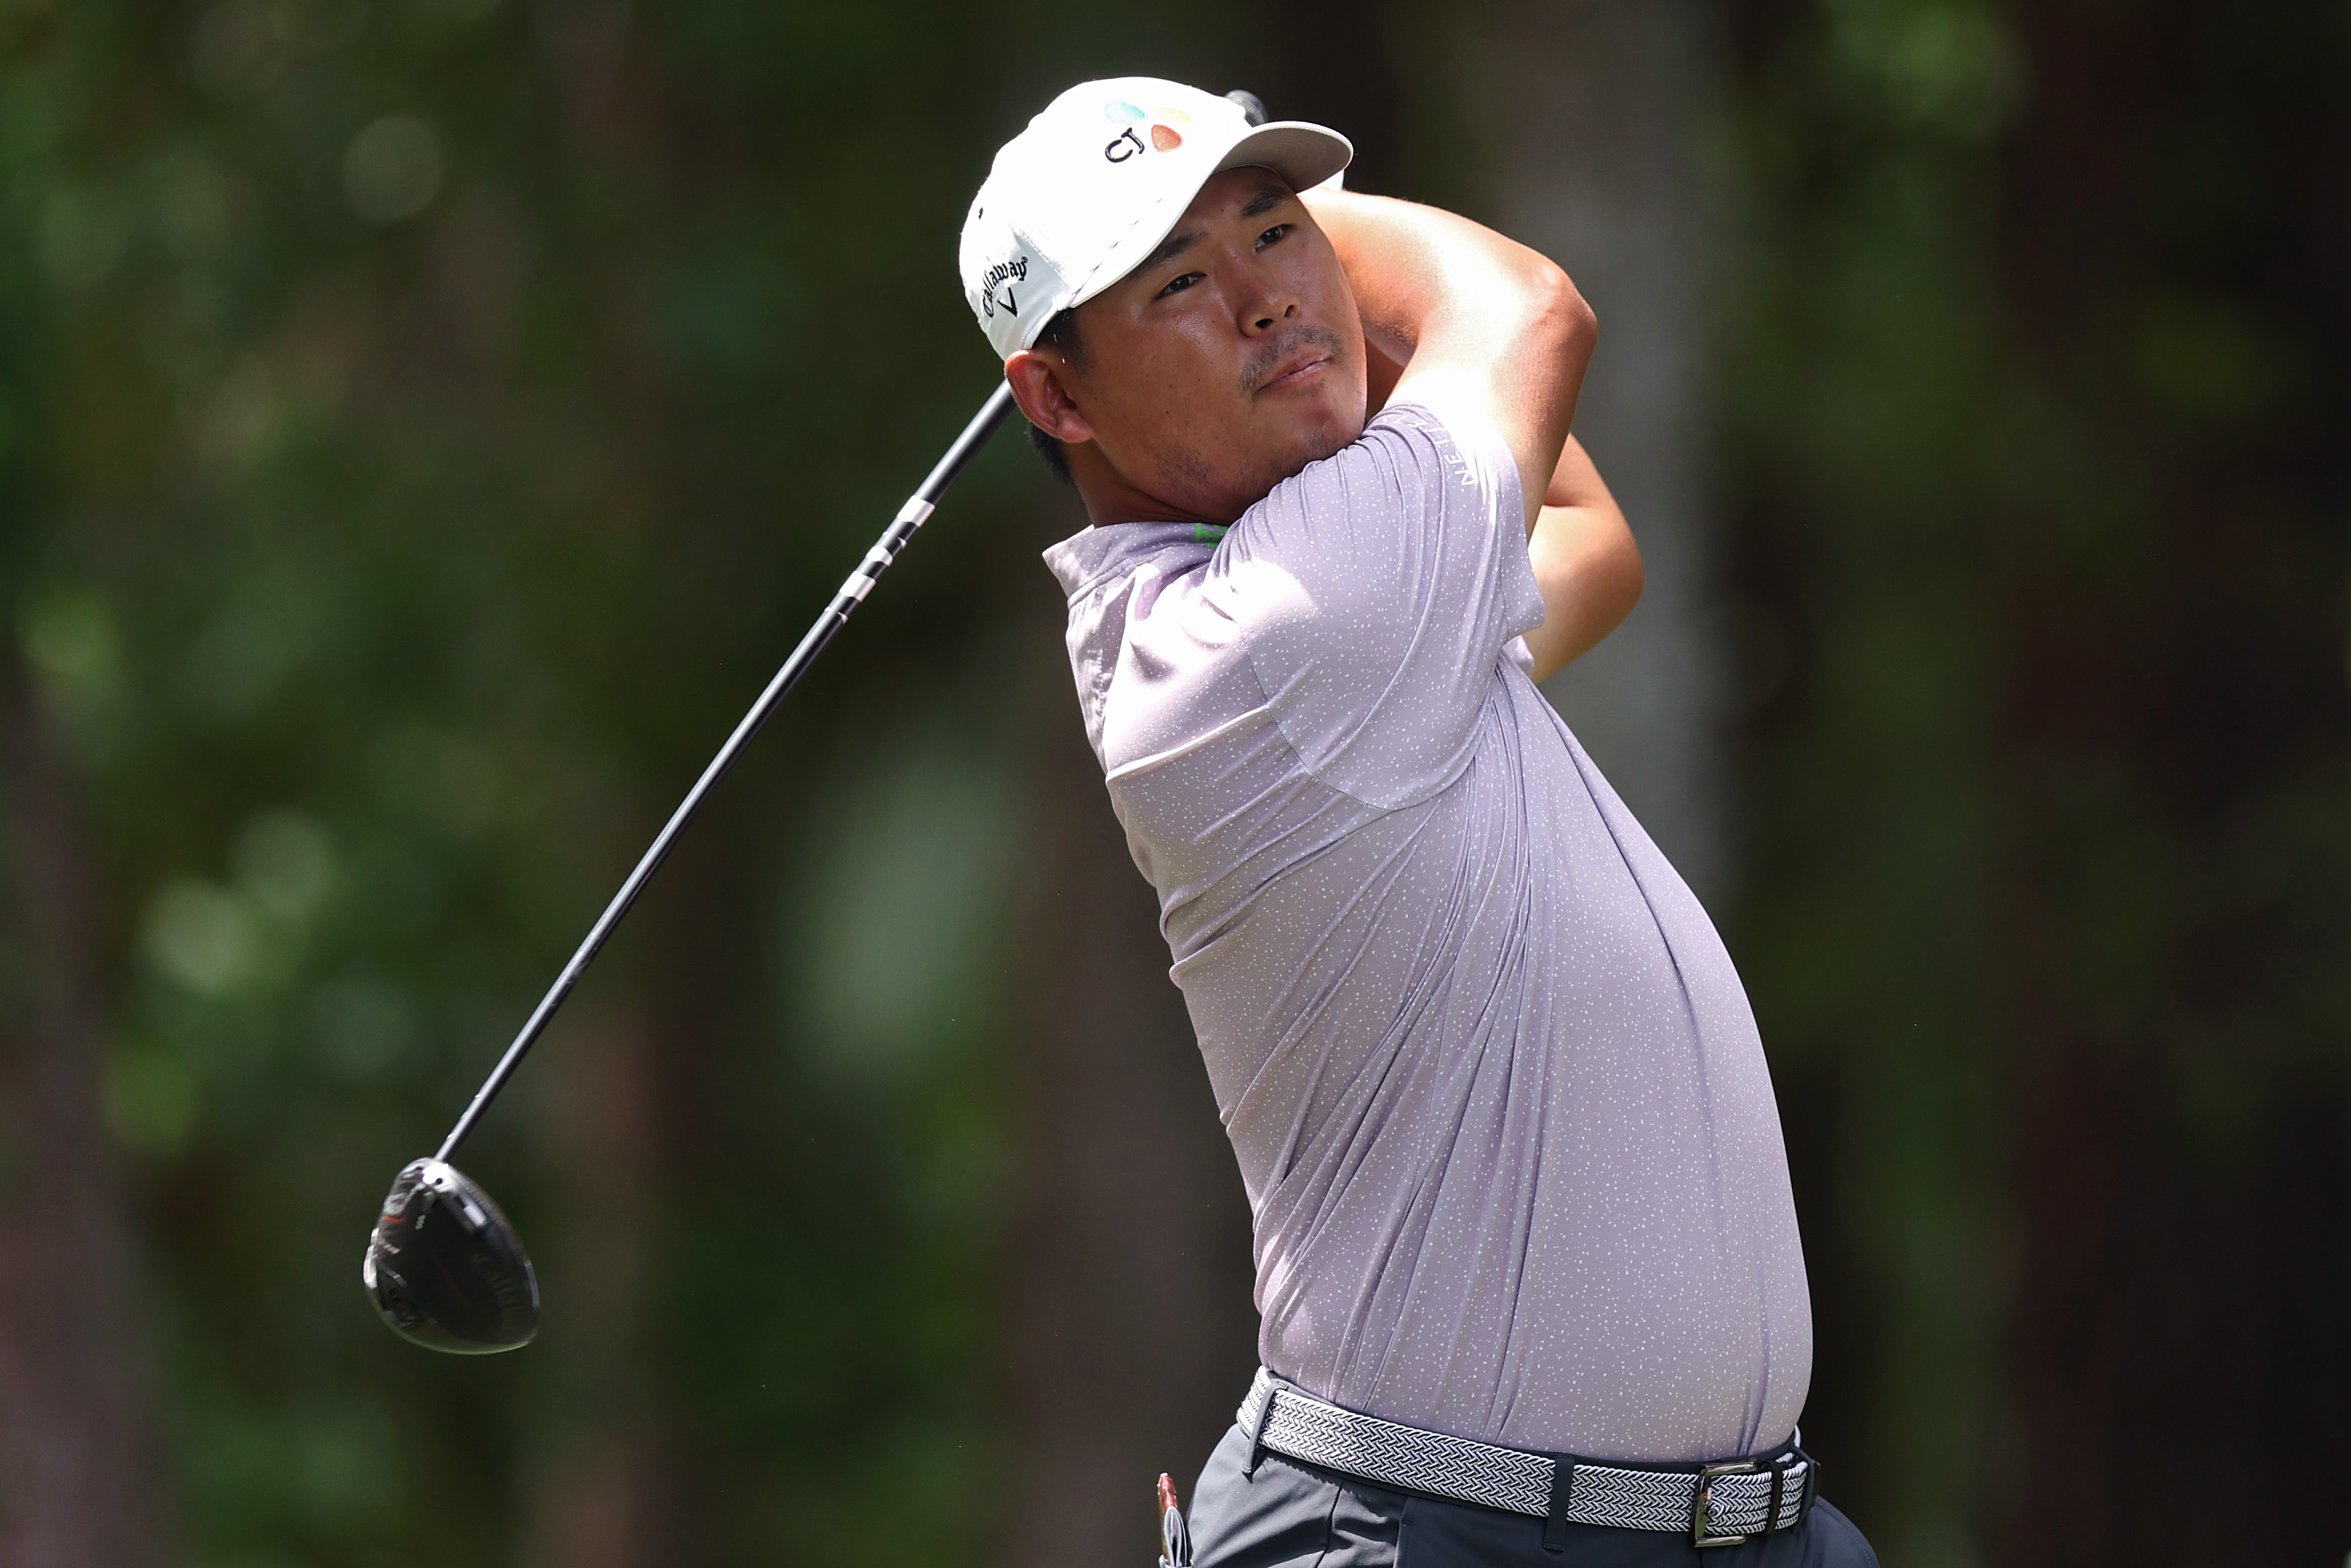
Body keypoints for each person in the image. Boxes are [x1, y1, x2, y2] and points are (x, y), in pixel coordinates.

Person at [960, 79, 1878, 1567]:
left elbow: (1588, 542)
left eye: (1277, 232)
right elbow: (1526, 306)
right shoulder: (1288, 630)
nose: (1264, 298)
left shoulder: (1348, 616)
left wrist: (1250, 270)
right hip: (1434, 1532)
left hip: (1714, 1530)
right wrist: (1318, 239)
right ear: (1055, 398)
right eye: (1181, 283)